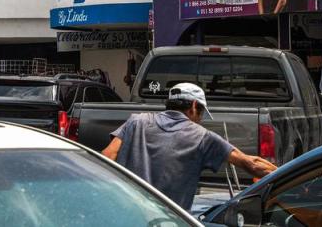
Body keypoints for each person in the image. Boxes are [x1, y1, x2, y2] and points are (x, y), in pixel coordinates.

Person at [101, 82, 276, 210]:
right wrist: (293, 175)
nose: (200, 119)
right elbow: (251, 164)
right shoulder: (202, 137)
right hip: (167, 220)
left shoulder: (136, 122)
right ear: (193, 106)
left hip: (125, 215)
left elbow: (107, 157)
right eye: (201, 113)